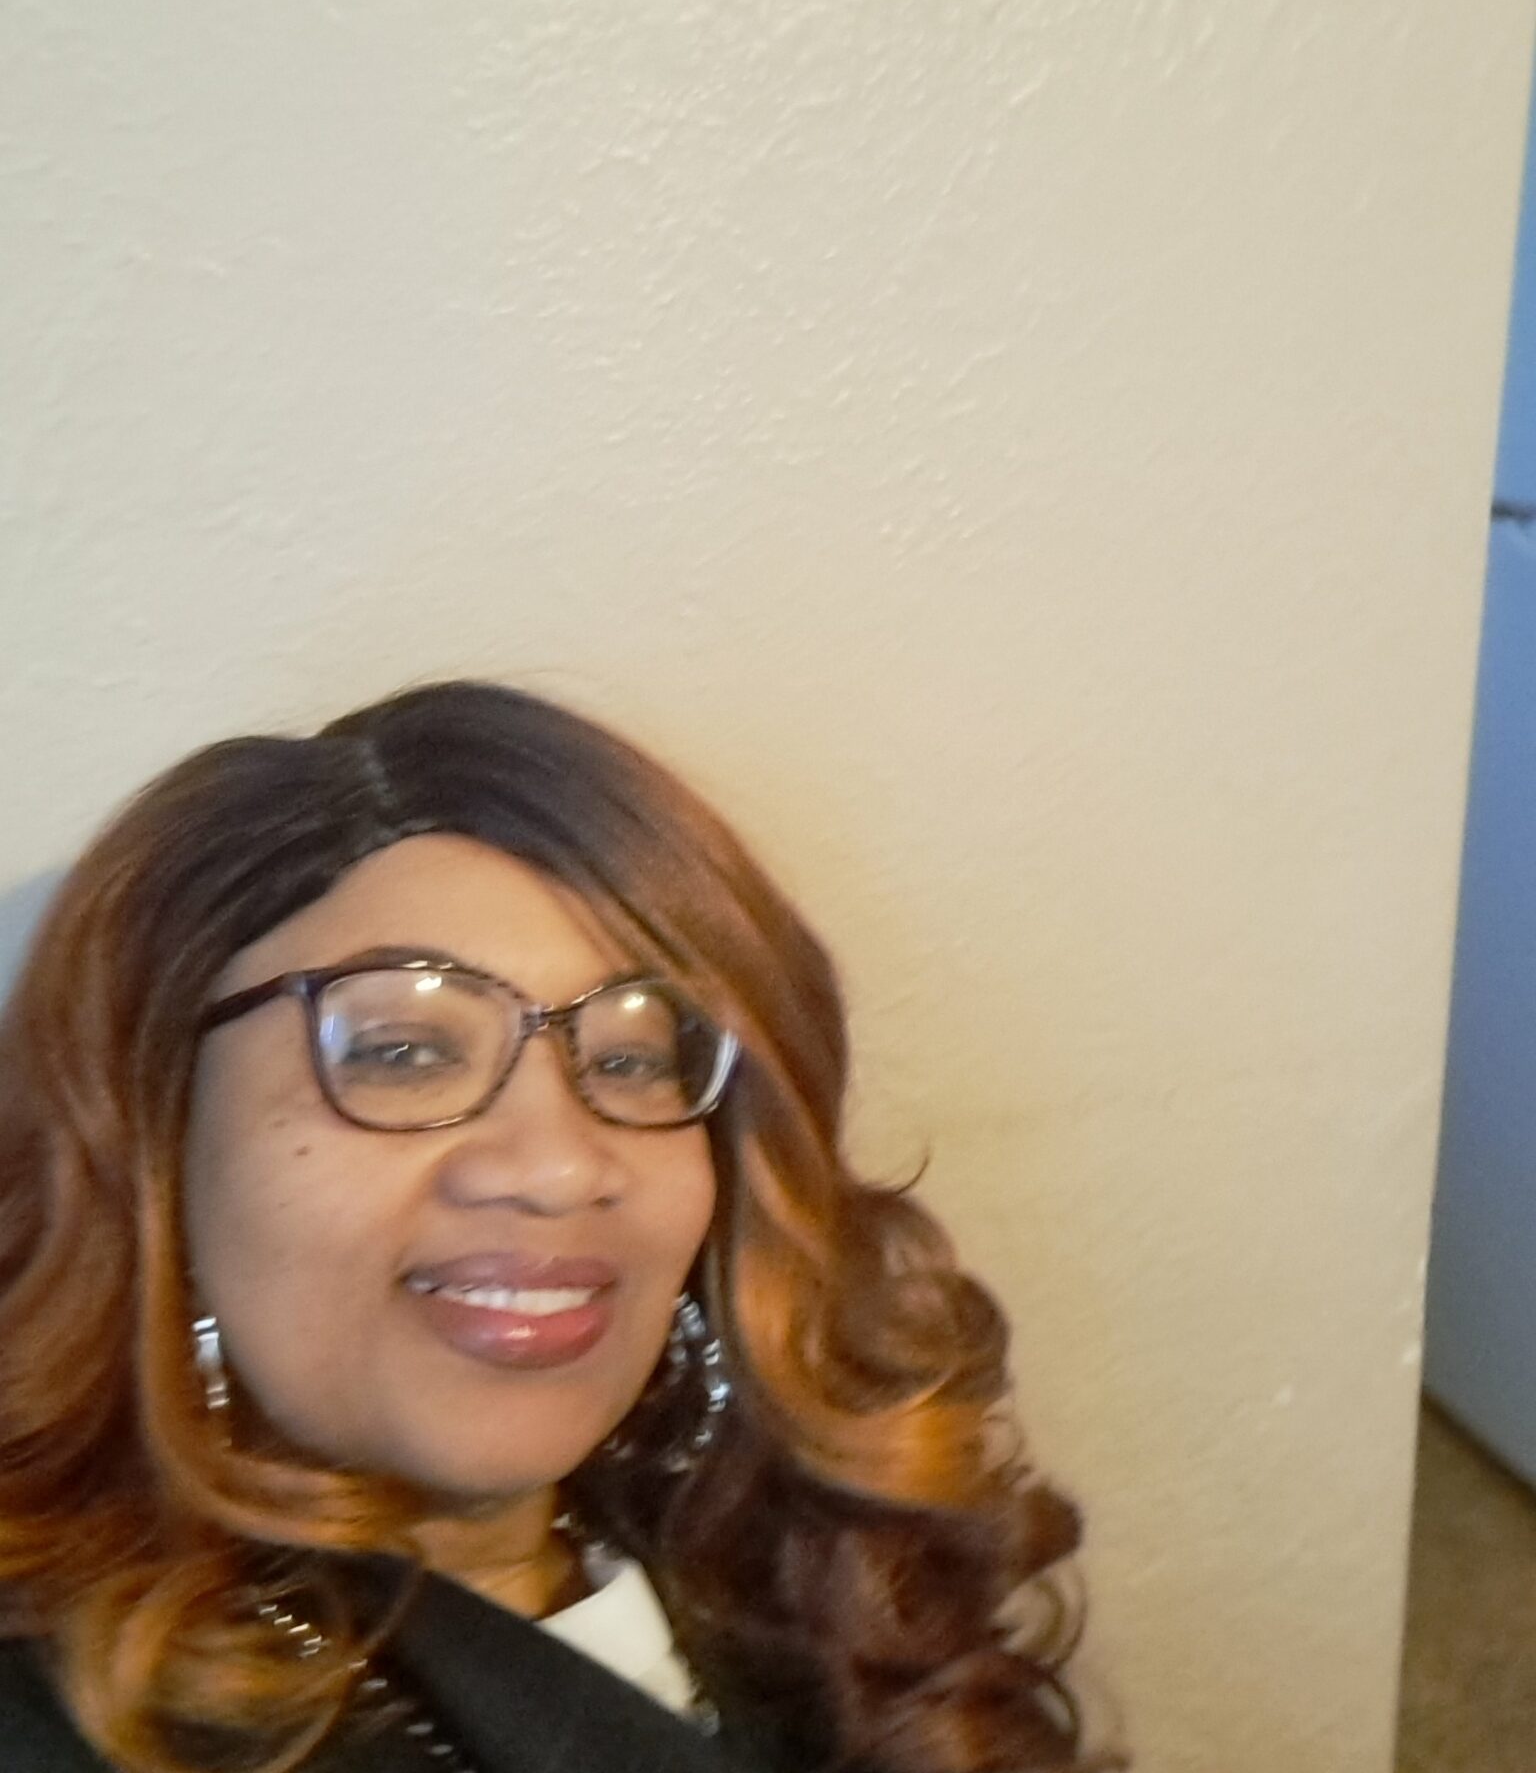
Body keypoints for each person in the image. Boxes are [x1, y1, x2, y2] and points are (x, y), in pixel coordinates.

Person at [0, 681, 1120, 1773]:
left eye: (632, 1060)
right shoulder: (59, 1719)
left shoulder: (825, 1604)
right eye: (402, 1052)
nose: (560, 1166)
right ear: (153, 1137)